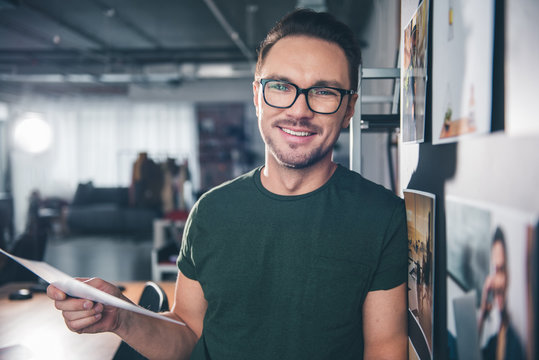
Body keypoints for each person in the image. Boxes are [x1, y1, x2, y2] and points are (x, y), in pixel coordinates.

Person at [47, 9, 408, 359]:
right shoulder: (211, 211)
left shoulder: (381, 216)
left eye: (324, 92)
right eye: (281, 86)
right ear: (256, 97)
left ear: (348, 109)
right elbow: (187, 334)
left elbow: (385, 349)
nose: (299, 110)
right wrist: (121, 316)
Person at [478, 227, 525, 360]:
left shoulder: (515, 346)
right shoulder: (496, 339)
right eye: (494, 270)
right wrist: (482, 313)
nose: (494, 282)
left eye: (501, 270)